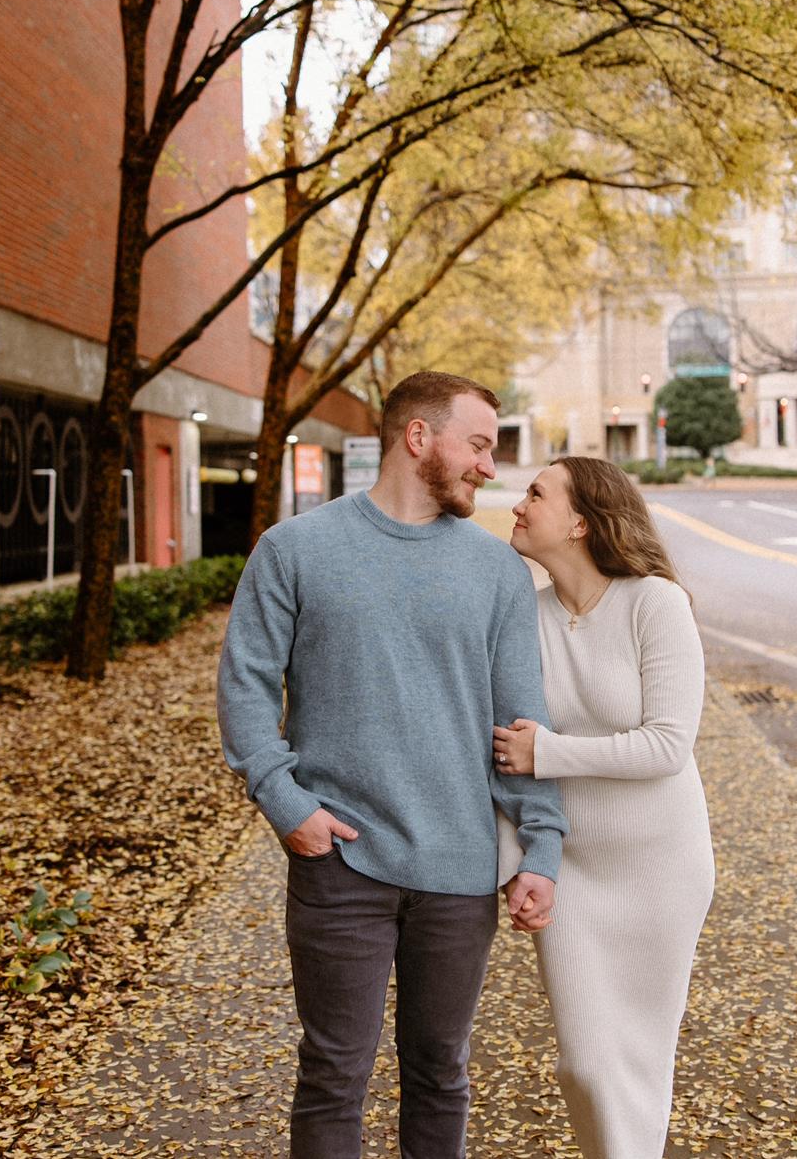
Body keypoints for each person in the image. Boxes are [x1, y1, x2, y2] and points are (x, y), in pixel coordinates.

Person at [216, 370, 567, 1159]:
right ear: (418, 437)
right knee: (335, 1073)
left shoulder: (497, 573)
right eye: (477, 444)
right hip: (340, 862)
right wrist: (286, 802)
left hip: (460, 871)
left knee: (441, 1073)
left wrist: (540, 844)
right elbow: (243, 687)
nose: (487, 465)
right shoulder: (295, 549)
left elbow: (522, 725)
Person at [493, 456, 713, 1159]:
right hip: (574, 871)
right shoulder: (523, 619)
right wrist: (517, 863)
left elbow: (667, 746)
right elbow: (499, 757)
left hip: (661, 869)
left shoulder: (656, 603)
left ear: (582, 521)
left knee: (642, 1062)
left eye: (535, 493)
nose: (518, 505)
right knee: (585, 1065)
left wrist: (551, 753)